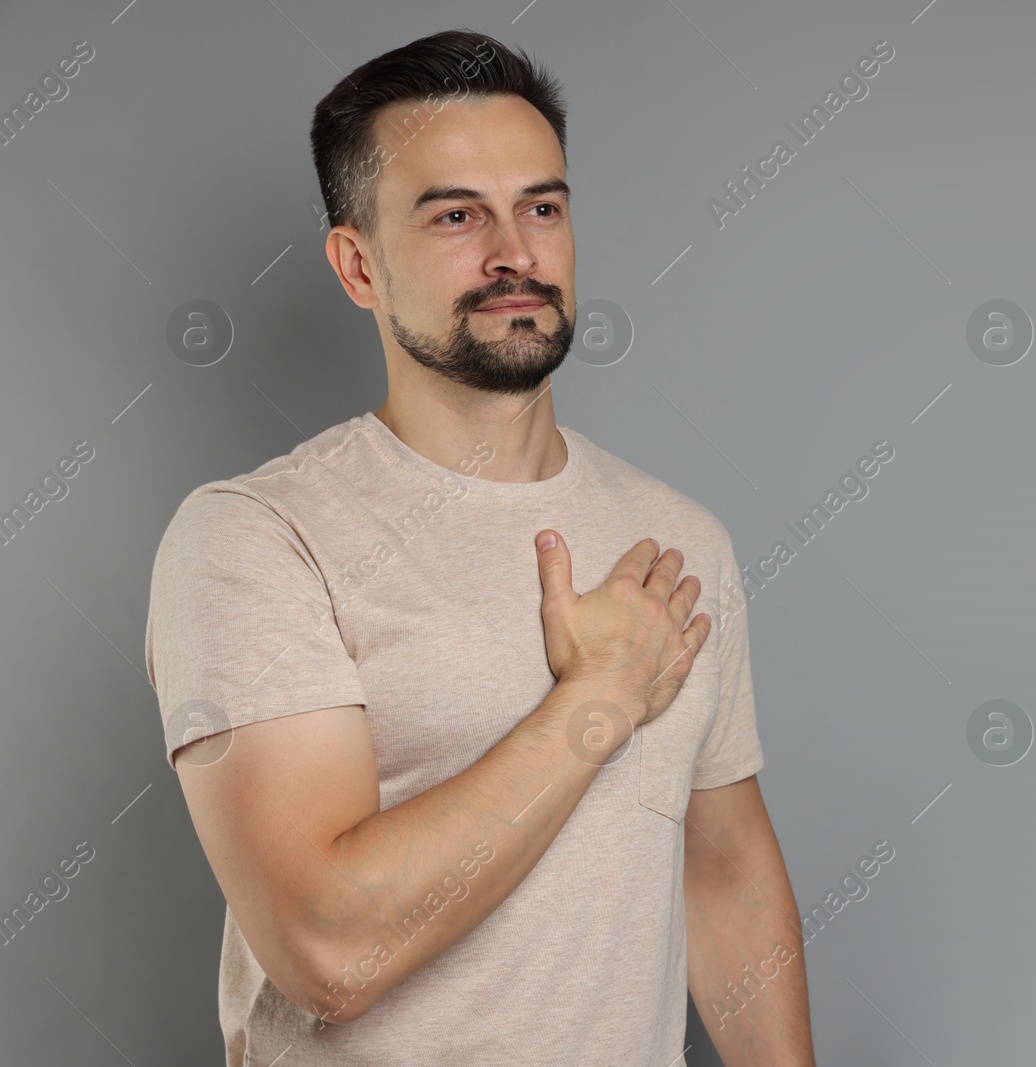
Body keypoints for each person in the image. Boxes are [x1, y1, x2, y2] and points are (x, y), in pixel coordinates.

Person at [143, 28, 815, 1066]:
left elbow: (721, 868)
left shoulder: (677, 541)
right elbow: (331, 946)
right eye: (457, 215)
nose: (515, 252)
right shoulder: (255, 538)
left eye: (540, 206)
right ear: (357, 264)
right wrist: (596, 701)